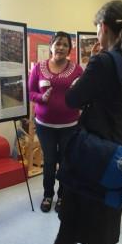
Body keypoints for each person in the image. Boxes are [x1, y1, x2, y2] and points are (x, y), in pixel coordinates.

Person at [53, 0, 122, 244]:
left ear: (103, 27)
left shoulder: (102, 62)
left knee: (70, 227)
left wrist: (85, 73)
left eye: (96, 28)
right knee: (104, 227)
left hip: (92, 154)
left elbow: (73, 99)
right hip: (120, 153)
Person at [29, 31, 83, 213]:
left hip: (69, 125)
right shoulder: (38, 68)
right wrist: (41, 97)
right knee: (50, 161)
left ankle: (63, 196)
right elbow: (30, 93)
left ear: (70, 49)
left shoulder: (77, 70)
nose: (61, 47)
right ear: (51, 45)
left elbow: (82, 94)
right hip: (45, 125)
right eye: (58, 43)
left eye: (65, 45)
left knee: (66, 162)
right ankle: (48, 195)